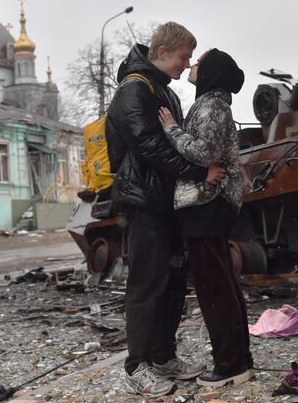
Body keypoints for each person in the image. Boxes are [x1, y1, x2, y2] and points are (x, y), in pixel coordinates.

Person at [105, 22, 227, 398]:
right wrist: (199, 173)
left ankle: (162, 356)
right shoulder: (134, 89)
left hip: (168, 200)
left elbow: (178, 143)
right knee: (146, 284)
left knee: (172, 281)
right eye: (183, 57)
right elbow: (148, 147)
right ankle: (136, 366)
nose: (186, 64)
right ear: (162, 52)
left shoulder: (164, 92)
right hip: (144, 201)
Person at [158, 48, 254, 388]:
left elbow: (204, 153)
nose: (193, 65)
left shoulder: (211, 106)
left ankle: (230, 365)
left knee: (214, 289)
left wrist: (171, 129)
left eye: (199, 62)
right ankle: (239, 359)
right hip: (210, 204)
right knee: (223, 285)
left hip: (207, 203)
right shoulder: (212, 104)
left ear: (211, 72)